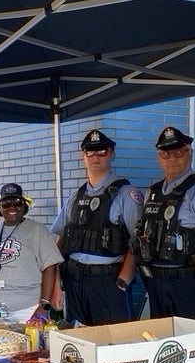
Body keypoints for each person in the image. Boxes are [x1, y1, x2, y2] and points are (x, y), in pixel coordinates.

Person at [133, 126, 195, 322]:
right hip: (156, 285)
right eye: (166, 154)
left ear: (190, 153)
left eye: (179, 152)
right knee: (162, 348)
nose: (173, 159)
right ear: (159, 157)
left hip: (189, 287)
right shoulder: (153, 192)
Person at [50, 130, 142, 325]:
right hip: (75, 281)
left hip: (109, 281)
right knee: (79, 342)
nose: (95, 157)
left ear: (111, 153)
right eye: (90, 152)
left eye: (101, 151)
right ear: (83, 156)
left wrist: (123, 281)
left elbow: (139, 241)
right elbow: (61, 241)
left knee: (114, 343)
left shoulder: (126, 193)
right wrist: (56, 281)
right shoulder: (75, 197)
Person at [0, 182, 63, 322]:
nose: (12, 207)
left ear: (24, 206)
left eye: (17, 203)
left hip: (26, 310)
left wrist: (44, 305)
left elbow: (50, 267)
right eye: (6, 204)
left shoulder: (38, 231)